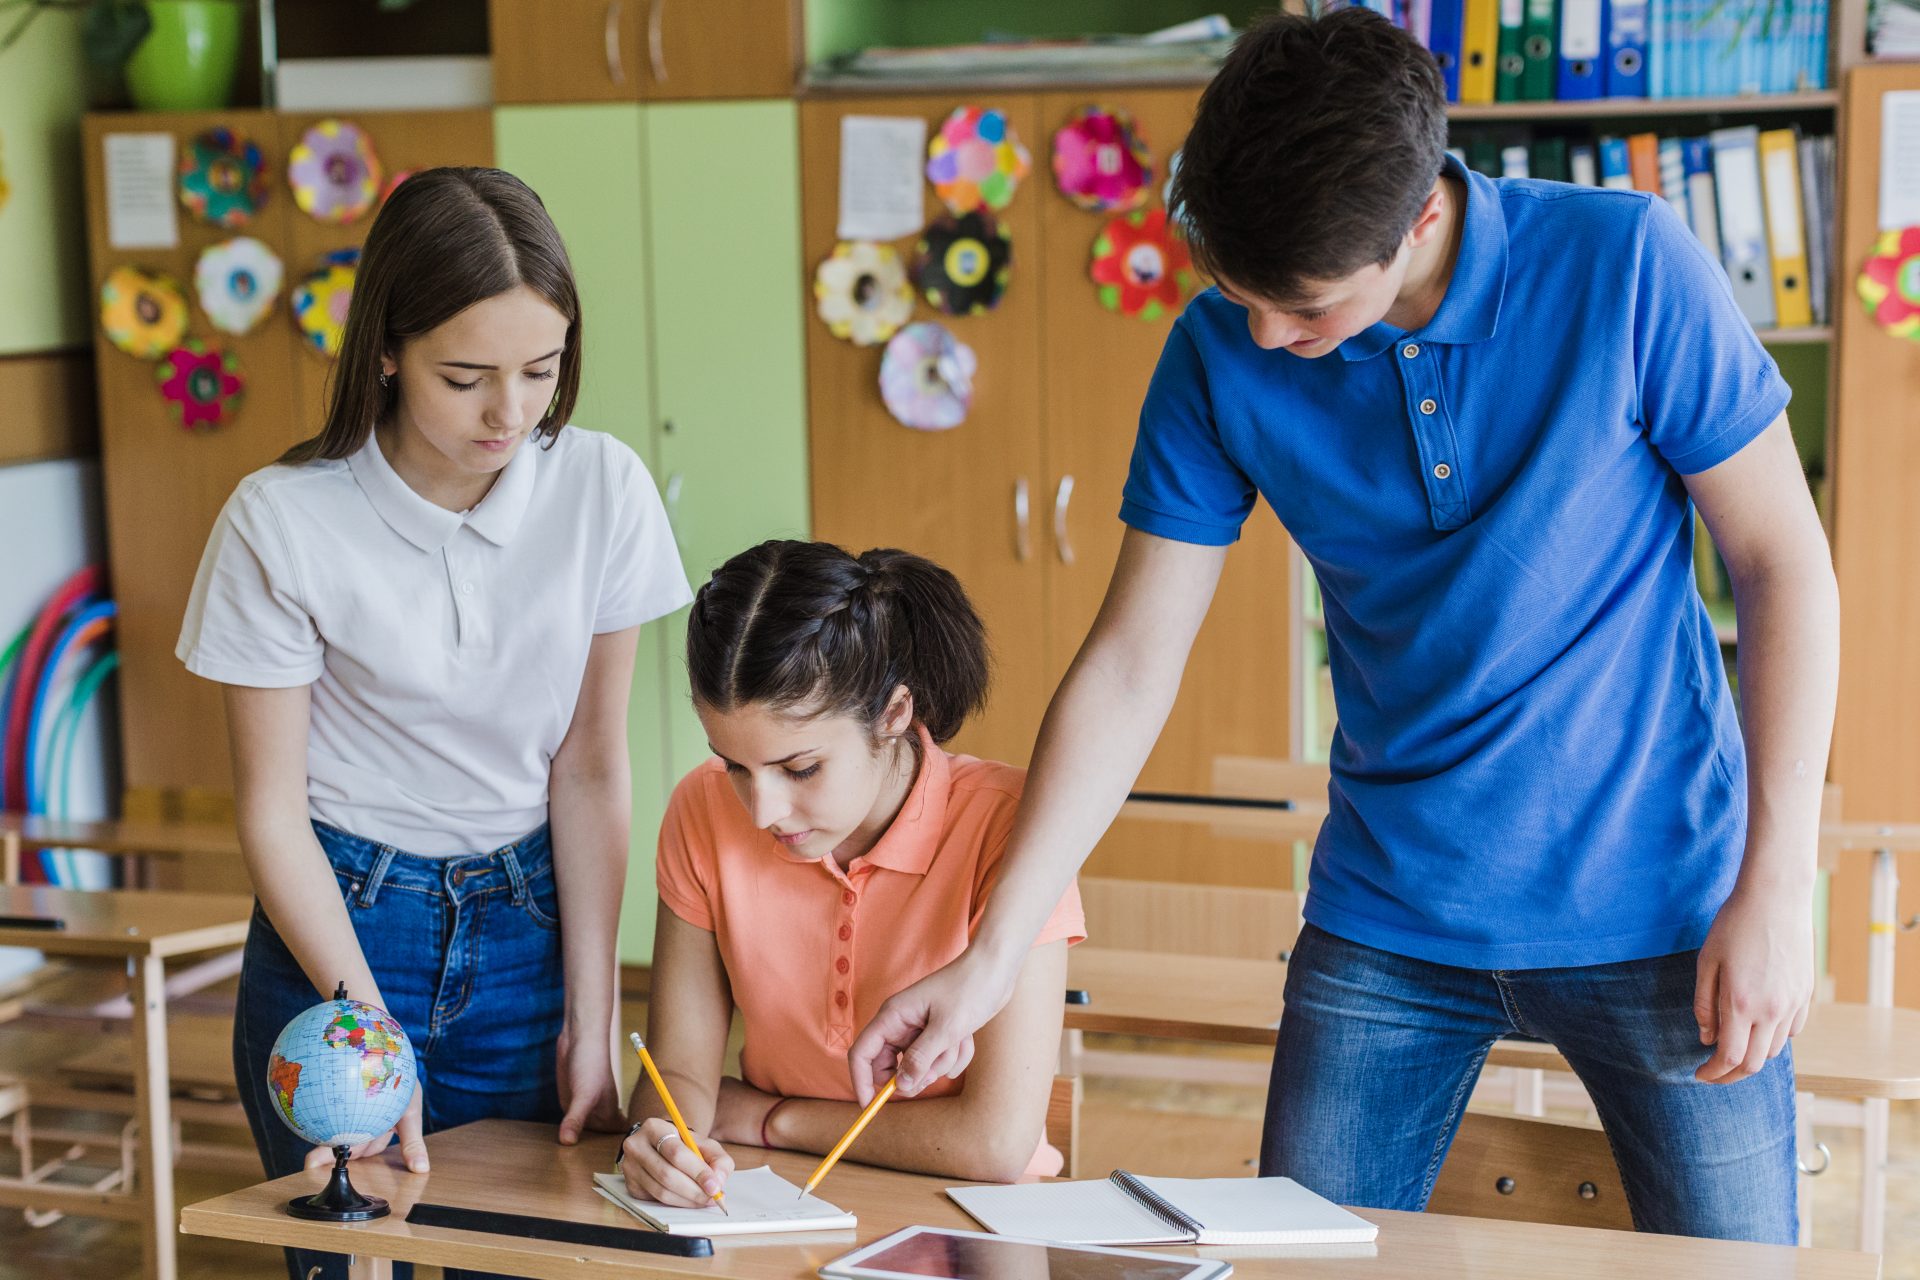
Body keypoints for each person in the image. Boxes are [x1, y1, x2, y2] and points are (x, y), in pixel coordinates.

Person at [850, 11, 1838, 1244]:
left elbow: (1783, 565)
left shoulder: (1629, 264)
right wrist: (993, 952)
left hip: (1665, 906)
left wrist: (1778, 885)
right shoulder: (1220, 349)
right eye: (1241, 295)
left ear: (1421, 216)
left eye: (1304, 305)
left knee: (1738, 1273)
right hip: (1389, 913)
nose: (1267, 336)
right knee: (1283, 1264)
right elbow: (1130, 662)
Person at [178, 167, 691, 1279]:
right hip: (343, 933)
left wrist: (593, 1011)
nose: (511, 413)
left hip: (532, 927)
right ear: (388, 351)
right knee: (358, 1266)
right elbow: (271, 813)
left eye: (541, 371)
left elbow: (593, 768)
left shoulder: (602, 487)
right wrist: (368, 1042)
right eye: (467, 377)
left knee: (528, 1257)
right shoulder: (283, 520)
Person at [617, 540, 1084, 1209]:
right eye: (734, 766)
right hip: (769, 1201)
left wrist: (769, 1118)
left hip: (968, 1214)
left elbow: (995, 1143)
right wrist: (664, 1143)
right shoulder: (702, 809)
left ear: (893, 714)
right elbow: (682, 1078)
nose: (761, 811)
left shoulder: (1013, 826)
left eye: (800, 768)